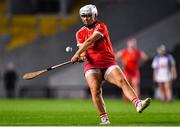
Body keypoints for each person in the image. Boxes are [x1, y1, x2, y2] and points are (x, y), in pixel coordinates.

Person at [71, 4, 151, 124]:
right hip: (92, 65)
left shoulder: (101, 26)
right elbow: (84, 52)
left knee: (122, 81)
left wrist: (76, 54)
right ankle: (104, 119)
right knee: (95, 90)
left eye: (89, 16)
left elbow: (89, 41)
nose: (86, 18)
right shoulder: (79, 33)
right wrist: (81, 57)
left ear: (95, 15)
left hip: (108, 63)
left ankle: (138, 104)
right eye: (83, 16)